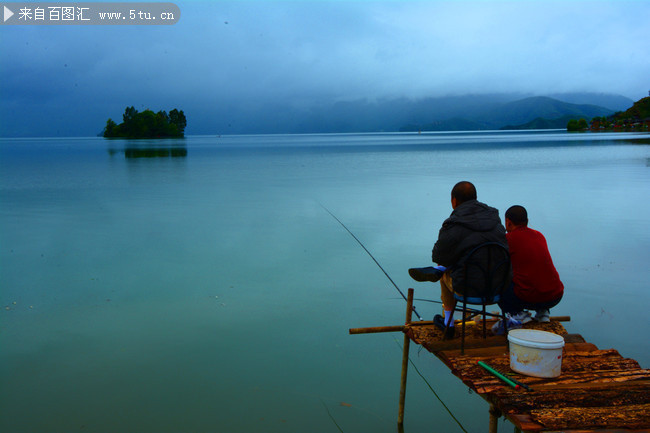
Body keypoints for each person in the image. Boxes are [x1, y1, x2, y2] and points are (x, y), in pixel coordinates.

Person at [410, 181, 509, 338]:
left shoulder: (454, 225)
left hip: (467, 289)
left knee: (443, 267)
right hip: (498, 287)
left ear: (454, 200)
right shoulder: (496, 221)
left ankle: (448, 323)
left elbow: (438, 255)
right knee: (470, 259)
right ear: (475, 198)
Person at [498, 205, 564, 323]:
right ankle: (543, 312)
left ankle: (518, 313)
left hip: (528, 297)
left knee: (498, 280)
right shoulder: (539, 236)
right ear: (527, 221)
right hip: (555, 296)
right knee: (538, 273)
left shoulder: (508, 239)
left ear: (507, 222)